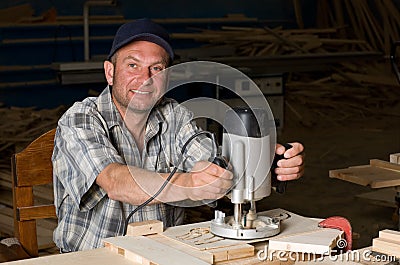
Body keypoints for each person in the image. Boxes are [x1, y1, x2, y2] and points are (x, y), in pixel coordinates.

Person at [52, 18, 305, 252]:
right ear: (110, 72)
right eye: (132, 65)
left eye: (156, 68)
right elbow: (116, 182)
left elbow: (210, 161)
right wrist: (190, 185)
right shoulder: (81, 118)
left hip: (166, 255)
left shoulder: (174, 115)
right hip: (93, 259)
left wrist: (263, 166)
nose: (145, 79)